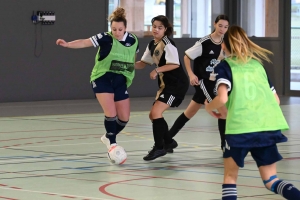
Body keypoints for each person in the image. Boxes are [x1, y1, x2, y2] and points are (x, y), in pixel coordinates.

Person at [204, 25, 300, 200]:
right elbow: (276, 100)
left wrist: (209, 106)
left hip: (240, 129)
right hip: (268, 127)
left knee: (230, 178)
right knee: (272, 180)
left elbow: (222, 99)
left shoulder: (224, 67)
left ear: (223, 46)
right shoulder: (258, 66)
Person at [56, 7, 139, 152]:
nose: (117, 33)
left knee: (124, 118)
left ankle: (108, 136)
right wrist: (68, 44)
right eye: (114, 29)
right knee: (111, 113)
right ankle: (112, 145)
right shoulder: (105, 38)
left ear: (125, 28)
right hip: (102, 78)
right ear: (110, 28)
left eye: (120, 29)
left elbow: (133, 57)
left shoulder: (133, 40)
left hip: (120, 80)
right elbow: (84, 42)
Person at [168, 15, 230, 151]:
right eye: (220, 25)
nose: (222, 29)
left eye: (225, 27)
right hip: (204, 82)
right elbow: (186, 56)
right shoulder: (205, 42)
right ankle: (225, 145)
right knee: (223, 110)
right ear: (215, 24)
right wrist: (191, 74)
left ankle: (166, 139)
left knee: (189, 113)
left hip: (215, 82)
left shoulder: (226, 43)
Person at [135, 15, 189, 161]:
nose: (156, 30)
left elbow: (175, 64)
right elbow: (142, 63)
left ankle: (159, 147)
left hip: (176, 84)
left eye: (160, 27)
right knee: (153, 115)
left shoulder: (167, 43)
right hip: (166, 85)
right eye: (154, 27)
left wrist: (157, 70)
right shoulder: (152, 44)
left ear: (165, 29)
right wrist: (127, 65)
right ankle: (169, 142)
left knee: (156, 112)